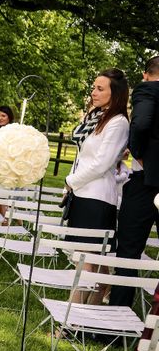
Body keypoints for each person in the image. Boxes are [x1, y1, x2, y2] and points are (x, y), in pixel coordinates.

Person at [64, 68, 129, 305]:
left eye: (100, 89)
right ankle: (91, 312)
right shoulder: (96, 117)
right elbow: (83, 157)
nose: (94, 92)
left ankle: (70, 323)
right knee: (91, 261)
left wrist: (70, 182)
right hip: (83, 193)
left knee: (86, 261)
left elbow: (102, 164)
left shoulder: (118, 122)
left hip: (97, 198)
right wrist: (71, 184)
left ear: (116, 93)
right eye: (93, 87)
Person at [109, 57, 159, 307]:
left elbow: (140, 123)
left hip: (145, 182)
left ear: (145, 75)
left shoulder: (148, 89)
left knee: (128, 250)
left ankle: (116, 320)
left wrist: (138, 152)